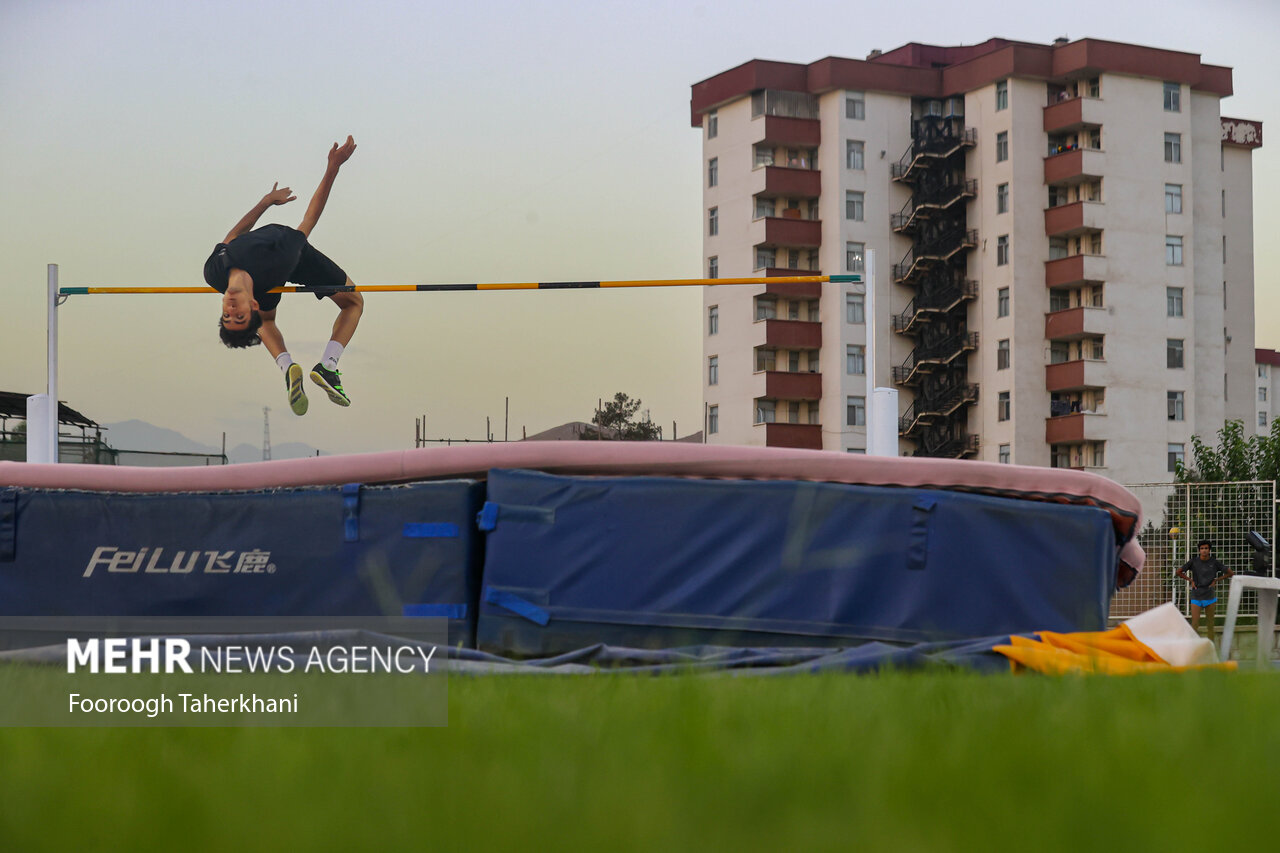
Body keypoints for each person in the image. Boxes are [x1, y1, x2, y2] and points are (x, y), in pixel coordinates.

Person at [202, 136, 364, 415]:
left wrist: (265, 202)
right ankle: (328, 366)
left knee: (266, 320)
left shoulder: (214, 273)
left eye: (227, 316)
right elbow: (308, 220)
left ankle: (288, 366)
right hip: (296, 256)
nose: (230, 309)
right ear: (251, 304)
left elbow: (234, 235)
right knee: (354, 302)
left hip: (269, 268)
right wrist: (332, 168)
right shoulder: (277, 261)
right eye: (238, 316)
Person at [1177, 539, 1233, 641]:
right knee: (1195, 623)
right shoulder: (1193, 561)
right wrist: (1190, 580)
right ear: (1199, 550)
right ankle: (1193, 646)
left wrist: (1216, 580)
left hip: (1209, 595)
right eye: (1202, 548)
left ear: (1209, 550)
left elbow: (1230, 573)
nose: (1204, 550)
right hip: (1196, 595)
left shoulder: (1214, 562)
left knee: (1210, 624)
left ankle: (1211, 646)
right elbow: (1179, 572)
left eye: (1206, 548)